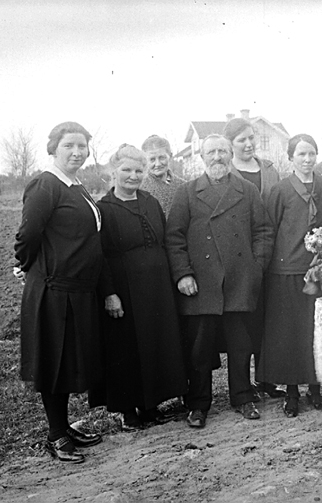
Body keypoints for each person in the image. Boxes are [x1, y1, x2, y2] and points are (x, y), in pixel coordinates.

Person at [166, 134, 274, 427]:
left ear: (230, 155)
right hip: (202, 283)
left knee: (241, 345)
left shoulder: (247, 190)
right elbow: (174, 237)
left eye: (222, 152)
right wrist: (183, 273)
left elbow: (263, 232)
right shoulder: (188, 192)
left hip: (239, 280)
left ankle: (243, 397)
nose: (217, 157)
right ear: (202, 157)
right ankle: (198, 404)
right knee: (200, 349)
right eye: (211, 152)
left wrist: (255, 267)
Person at [13, 121, 104, 463]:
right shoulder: (46, 184)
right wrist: (26, 265)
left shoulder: (75, 185)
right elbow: (28, 234)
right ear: (53, 149)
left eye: (82, 146)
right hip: (54, 290)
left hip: (76, 289)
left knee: (66, 363)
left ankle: (64, 427)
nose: (77, 152)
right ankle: (55, 435)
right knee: (53, 361)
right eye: (69, 146)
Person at [94, 144, 188, 431]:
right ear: (113, 172)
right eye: (126, 170)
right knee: (126, 347)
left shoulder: (150, 201)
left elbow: (164, 240)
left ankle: (150, 405)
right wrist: (110, 293)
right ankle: (128, 411)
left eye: (138, 170)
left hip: (157, 287)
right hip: (124, 289)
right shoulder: (104, 208)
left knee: (154, 342)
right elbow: (100, 255)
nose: (133, 176)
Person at [256, 134, 322, 417]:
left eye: (311, 153)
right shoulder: (279, 190)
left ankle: (315, 389)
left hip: (318, 269)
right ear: (291, 158)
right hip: (286, 271)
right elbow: (270, 228)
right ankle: (291, 392)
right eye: (301, 154)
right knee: (289, 333)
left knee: (314, 331)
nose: (307, 159)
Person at [223, 117, 285, 400]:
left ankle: (266, 378)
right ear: (230, 144)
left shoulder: (269, 170)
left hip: (268, 251)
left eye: (251, 138)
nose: (248, 144)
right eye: (241, 140)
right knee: (241, 323)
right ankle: (242, 385)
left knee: (266, 318)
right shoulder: (225, 172)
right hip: (236, 256)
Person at [140, 135, 184, 217]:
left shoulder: (183, 187)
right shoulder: (139, 188)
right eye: (152, 159)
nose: (157, 164)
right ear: (144, 161)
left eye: (162, 158)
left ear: (170, 156)